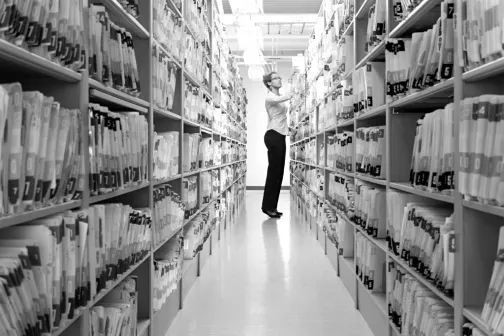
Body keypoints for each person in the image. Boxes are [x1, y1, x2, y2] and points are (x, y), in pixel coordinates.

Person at [261, 70, 297, 218]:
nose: (279, 80)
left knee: (278, 173)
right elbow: (286, 97)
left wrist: (289, 130)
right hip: (273, 135)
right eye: (275, 78)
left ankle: (272, 207)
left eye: (279, 77)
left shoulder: (277, 97)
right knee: (273, 172)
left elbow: (280, 119)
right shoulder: (269, 96)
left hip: (280, 135)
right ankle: (267, 207)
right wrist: (292, 84)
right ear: (269, 83)